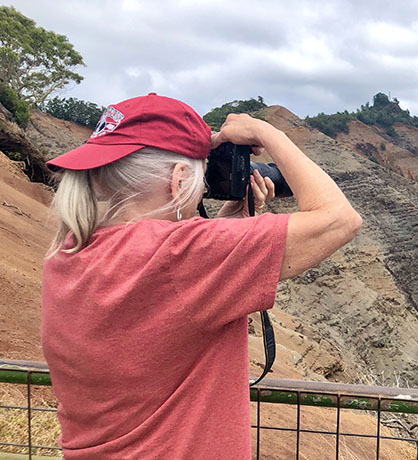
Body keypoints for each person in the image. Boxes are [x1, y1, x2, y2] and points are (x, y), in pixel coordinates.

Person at [40, 93, 362, 459]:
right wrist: (266, 131)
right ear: (178, 180)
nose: (204, 187)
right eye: (202, 175)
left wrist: (229, 227)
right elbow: (340, 219)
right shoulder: (181, 255)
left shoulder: (67, 251)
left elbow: (164, 305)